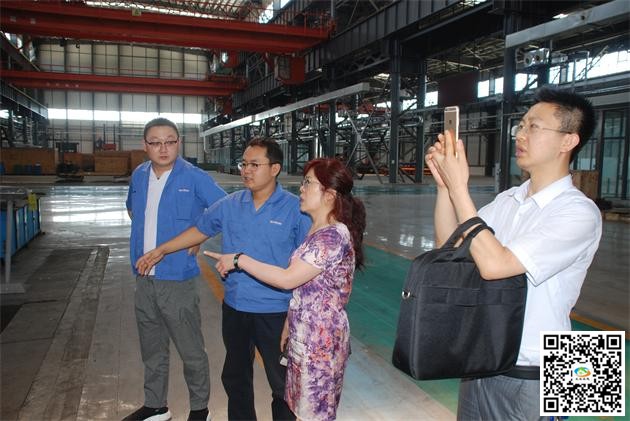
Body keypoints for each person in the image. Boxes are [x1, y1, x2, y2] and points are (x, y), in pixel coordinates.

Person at [425, 86, 602, 420]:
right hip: (483, 357)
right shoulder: (508, 200)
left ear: (568, 141)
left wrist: (461, 188)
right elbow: (447, 247)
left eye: (534, 127)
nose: (520, 134)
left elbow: (496, 265)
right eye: (521, 125)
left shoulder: (580, 212)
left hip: (540, 368)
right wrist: (446, 189)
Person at [135, 137, 312, 421]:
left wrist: (295, 316)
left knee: (282, 383)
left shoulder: (295, 210)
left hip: (276, 312)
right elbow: (200, 229)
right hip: (236, 309)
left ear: (275, 168)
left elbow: (307, 267)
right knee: (236, 378)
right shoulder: (231, 204)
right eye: (244, 164)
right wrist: (162, 250)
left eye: (255, 164)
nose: (246, 170)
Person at [205, 158, 366, 421]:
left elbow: (287, 279)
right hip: (305, 336)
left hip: (320, 343)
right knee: (299, 409)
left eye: (308, 183)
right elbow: (305, 289)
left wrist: (238, 259)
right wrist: (290, 322)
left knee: (315, 414)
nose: (301, 188)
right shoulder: (318, 231)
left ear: (329, 194)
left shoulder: (331, 237)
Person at [124, 117, 226, 421]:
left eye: (170, 141)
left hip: (176, 279)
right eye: (155, 142)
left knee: (190, 349)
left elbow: (223, 210)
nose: (163, 148)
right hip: (144, 277)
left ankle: (200, 409)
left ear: (178, 143)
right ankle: (156, 406)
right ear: (145, 145)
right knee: (152, 347)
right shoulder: (139, 175)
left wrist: (199, 236)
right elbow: (132, 209)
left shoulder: (194, 177)